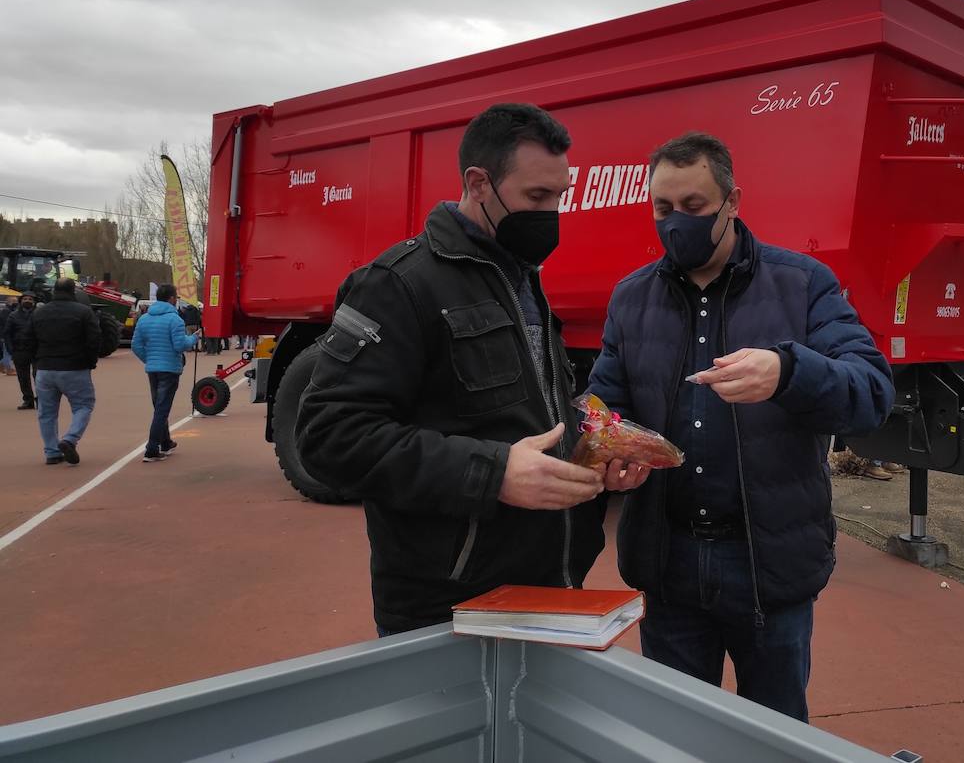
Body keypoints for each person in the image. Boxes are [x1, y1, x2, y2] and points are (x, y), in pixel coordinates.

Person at [587, 131, 894, 723]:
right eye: (663, 209)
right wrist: (610, 450)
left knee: (774, 732)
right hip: (668, 563)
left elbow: (872, 393)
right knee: (673, 732)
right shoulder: (631, 299)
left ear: (733, 201)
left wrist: (788, 372)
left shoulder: (803, 284)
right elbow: (605, 404)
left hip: (766, 564)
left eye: (695, 207)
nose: (677, 223)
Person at [297, 103, 635, 637]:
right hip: (449, 607)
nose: (551, 215)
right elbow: (329, 436)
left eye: (559, 197)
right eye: (536, 198)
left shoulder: (524, 282)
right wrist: (493, 473)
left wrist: (591, 454)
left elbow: (526, 416)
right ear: (478, 183)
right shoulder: (397, 283)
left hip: (547, 586)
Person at [19, 278, 99, 466]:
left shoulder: (39, 312)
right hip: (75, 367)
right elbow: (94, 339)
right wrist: (90, 362)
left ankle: (52, 451)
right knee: (83, 405)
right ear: (73, 292)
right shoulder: (84, 312)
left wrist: (36, 361)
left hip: (45, 368)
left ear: (54, 291)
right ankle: (70, 439)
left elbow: (28, 339)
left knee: (46, 412)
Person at [131, 284, 200, 462]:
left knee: (159, 406)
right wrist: (194, 338)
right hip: (169, 368)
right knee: (162, 409)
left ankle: (166, 442)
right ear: (171, 298)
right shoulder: (174, 319)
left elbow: (136, 345)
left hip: (153, 369)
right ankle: (151, 449)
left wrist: (149, 359)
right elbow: (180, 345)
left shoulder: (144, 319)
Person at [6, 294, 39, 408]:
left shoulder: (39, 315)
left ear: (34, 302)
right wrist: (10, 349)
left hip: (37, 350)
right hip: (19, 350)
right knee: (23, 377)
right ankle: (28, 400)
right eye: (25, 299)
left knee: (38, 376)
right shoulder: (13, 316)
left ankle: (40, 399)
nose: (27, 301)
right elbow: (7, 333)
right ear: (20, 301)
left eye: (30, 299)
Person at [0, 295, 14, 376]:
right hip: (5, 335)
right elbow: (6, 324)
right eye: (13, 301)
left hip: (5, 335)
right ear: (8, 302)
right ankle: (8, 369)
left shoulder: (7, 310)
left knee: (7, 352)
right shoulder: (6, 311)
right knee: (7, 352)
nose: (15, 303)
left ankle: (2, 366)